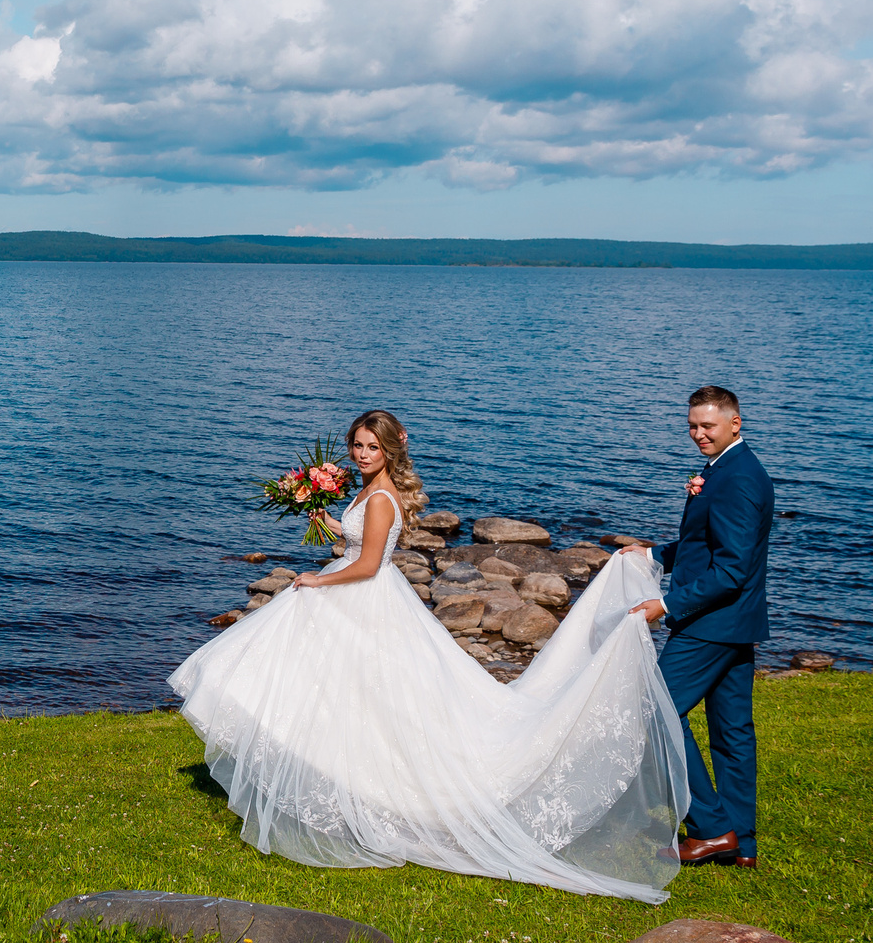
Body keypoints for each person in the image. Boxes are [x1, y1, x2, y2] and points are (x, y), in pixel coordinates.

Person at [170, 409, 691, 902]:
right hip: (363, 596)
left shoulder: (379, 499)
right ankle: (337, 776)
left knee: (352, 691)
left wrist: (313, 578)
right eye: (356, 445)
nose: (361, 453)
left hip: (363, 597)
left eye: (371, 446)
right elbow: (354, 545)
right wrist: (317, 512)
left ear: (391, 449)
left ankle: (363, 787)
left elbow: (370, 564)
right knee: (350, 694)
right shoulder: (373, 493)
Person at [620, 385, 774, 869]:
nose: (698, 434)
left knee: (656, 706)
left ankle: (711, 828)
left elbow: (731, 569)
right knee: (732, 732)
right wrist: (653, 553)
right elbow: (708, 543)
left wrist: (664, 604)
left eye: (708, 425)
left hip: (711, 623)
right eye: (692, 425)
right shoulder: (726, 469)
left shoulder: (739, 478)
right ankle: (741, 845)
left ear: (735, 423)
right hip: (735, 622)